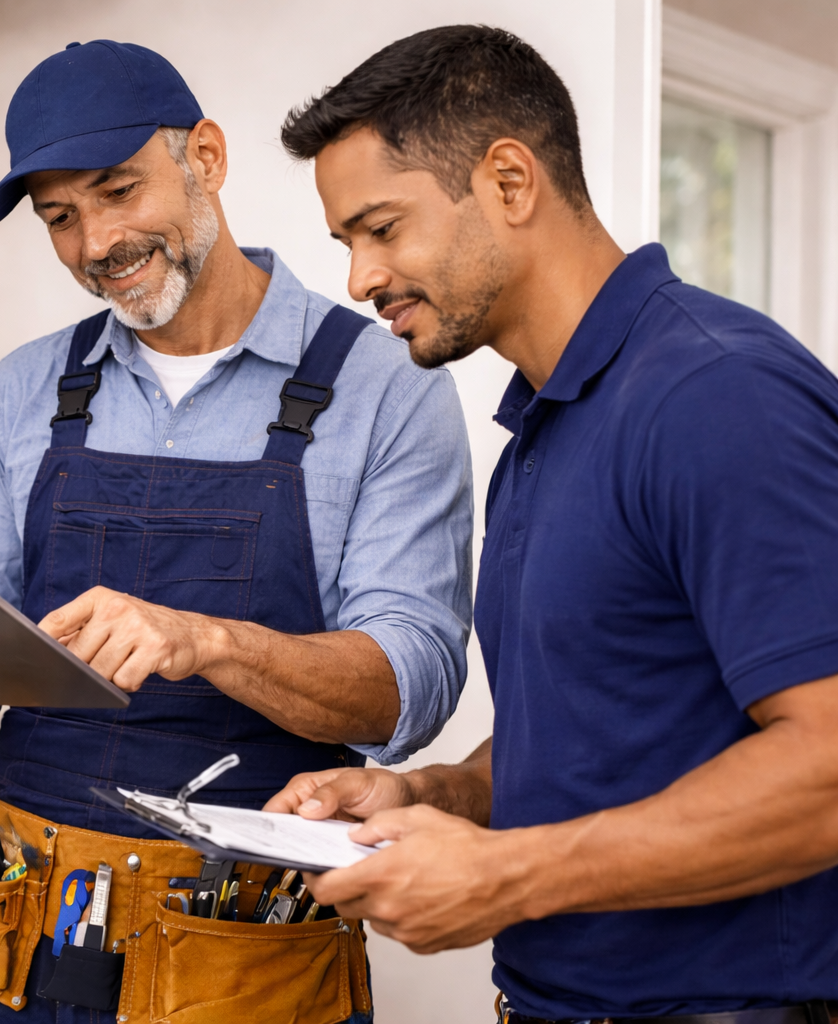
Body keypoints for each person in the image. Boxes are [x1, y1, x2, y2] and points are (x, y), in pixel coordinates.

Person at [0, 39, 472, 1024]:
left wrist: (207, 641)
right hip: (6, 926)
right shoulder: (25, 389)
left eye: (119, 191)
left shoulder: (382, 386)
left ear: (207, 160)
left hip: (236, 950)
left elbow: (412, 686)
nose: (96, 243)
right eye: (61, 218)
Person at [265, 24, 838, 1024]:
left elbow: (829, 763)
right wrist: (433, 798)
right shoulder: (545, 422)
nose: (359, 278)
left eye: (382, 228)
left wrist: (509, 875)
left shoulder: (717, 395)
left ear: (510, 182)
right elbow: (613, 735)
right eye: (346, 243)